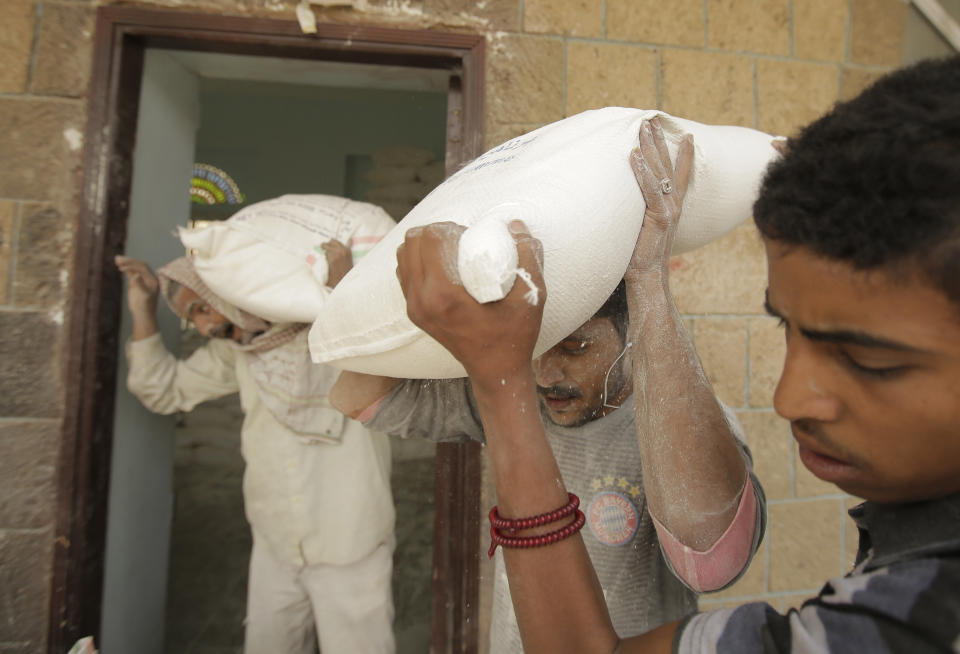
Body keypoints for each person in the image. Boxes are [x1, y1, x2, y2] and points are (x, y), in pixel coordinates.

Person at [390, 54, 960, 653]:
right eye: (787, 329)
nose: (788, 398)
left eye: (870, 361)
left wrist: (501, 380)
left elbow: (707, 566)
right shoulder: (908, 555)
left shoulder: (908, 620)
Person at [331, 118, 767, 653]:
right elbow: (353, 396)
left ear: (632, 339)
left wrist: (648, 279)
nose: (544, 375)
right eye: (533, 351)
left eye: (575, 347)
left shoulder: (694, 427)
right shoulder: (518, 393)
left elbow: (711, 559)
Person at [116, 236, 396, 654]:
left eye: (201, 308)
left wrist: (342, 293)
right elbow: (163, 389)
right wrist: (142, 309)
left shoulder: (330, 332)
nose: (206, 327)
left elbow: (373, 342)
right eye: (194, 320)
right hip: (276, 544)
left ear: (224, 296)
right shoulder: (239, 354)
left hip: (350, 542)